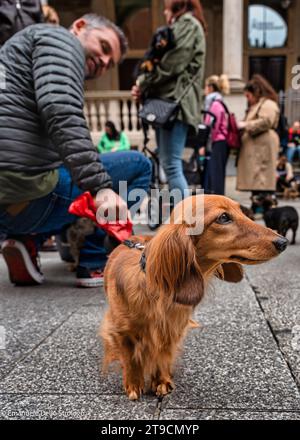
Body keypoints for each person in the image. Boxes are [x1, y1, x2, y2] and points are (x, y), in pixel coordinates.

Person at [0, 14, 152, 288]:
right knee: (138, 165)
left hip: (9, 196)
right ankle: (92, 260)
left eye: (111, 63)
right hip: (24, 189)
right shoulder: (59, 39)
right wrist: (100, 188)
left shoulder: (19, 48)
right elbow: (61, 111)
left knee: (72, 172)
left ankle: (27, 241)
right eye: (104, 47)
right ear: (79, 26)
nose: (105, 62)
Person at [132, 0, 207, 198]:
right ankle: (183, 218)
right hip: (169, 104)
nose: (164, 9)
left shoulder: (188, 25)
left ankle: (187, 221)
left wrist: (143, 82)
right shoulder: (183, 25)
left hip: (176, 105)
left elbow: (172, 65)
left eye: (166, 5)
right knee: (169, 163)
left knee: (172, 165)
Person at [237, 74, 280, 212]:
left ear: (256, 92)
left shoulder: (268, 104)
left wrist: (244, 124)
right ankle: (258, 205)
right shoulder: (259, 105)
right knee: (256, 178)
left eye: (248, 96)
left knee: (261, 177)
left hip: (262, 147)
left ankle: (263, 207)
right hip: (257, 147)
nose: (248, 100)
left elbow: (266, 121)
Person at [202, 74, 230, 195]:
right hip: (221, 142)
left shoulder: (214, 104)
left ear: (211, 87)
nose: (204, 90)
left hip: (218, 142)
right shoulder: (219, 102)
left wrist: (204, 144)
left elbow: (210, 125)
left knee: (216, 175)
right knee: (217, 174)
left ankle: (218, 204)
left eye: (205, 87)